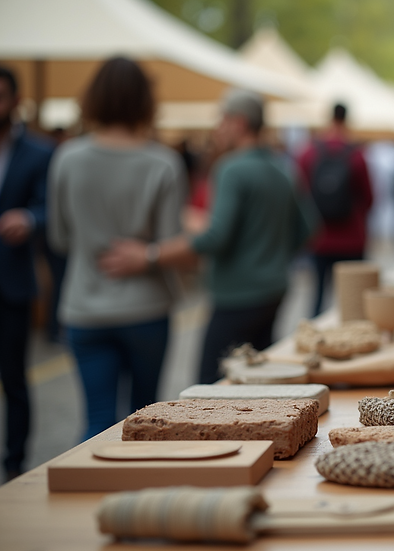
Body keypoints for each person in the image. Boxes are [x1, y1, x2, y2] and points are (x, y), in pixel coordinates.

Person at [100, 88, 316, 384]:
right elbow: (307, 228)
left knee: (210, 385)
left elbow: (217, 237)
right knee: (263, 382)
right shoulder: (283, 168)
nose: (217, 128)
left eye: (221, 120)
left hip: (236, 295)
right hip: (274, 289)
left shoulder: (231, 169)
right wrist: (268, 252)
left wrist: (150, 255)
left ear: (238, 123)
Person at [47, 57, 185, 441]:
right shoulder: (163, 162)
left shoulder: (67, 158)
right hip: (147, 306)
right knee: (146, 423)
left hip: (85, 306)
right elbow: (171, 239)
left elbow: (59, 237)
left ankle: (87, 497)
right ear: (146, 100)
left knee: (96, 424)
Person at [0, 66, 55, 481]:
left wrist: (31, 219)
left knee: (14, 379)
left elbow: (51, 208)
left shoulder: (39, 152)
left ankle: (14, 462)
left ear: (16, 100)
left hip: (12, 281)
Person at [295, 103, 373, 316]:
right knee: (354, 303)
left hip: (319, 237)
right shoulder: (357, 155)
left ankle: (314, 343)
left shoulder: (308, 152)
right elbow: (369, 198)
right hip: (352, 239)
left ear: (329, 118)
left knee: (317, 297)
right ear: (347, 119)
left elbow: (299, 195)